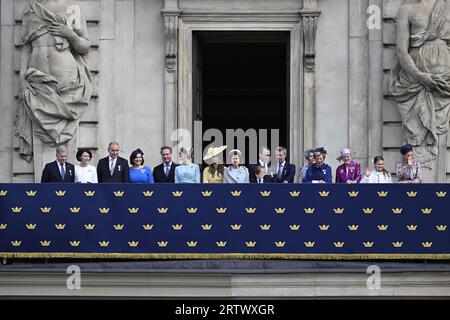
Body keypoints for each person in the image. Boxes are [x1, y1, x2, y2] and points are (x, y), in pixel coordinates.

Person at [16, 0, 92, 160]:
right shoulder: (31, 9)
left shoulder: (73, 8)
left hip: (67, 83)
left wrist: (68, 33)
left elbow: (85, 46)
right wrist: (22, 76)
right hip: (37, 82)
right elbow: (26, 46)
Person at [391, 0, 450, 164]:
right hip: (413, 83)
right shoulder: (406, 10)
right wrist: (420, 76)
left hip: (444, 82)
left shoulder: (447, 7)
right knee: (415, 134)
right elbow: (401, 52)